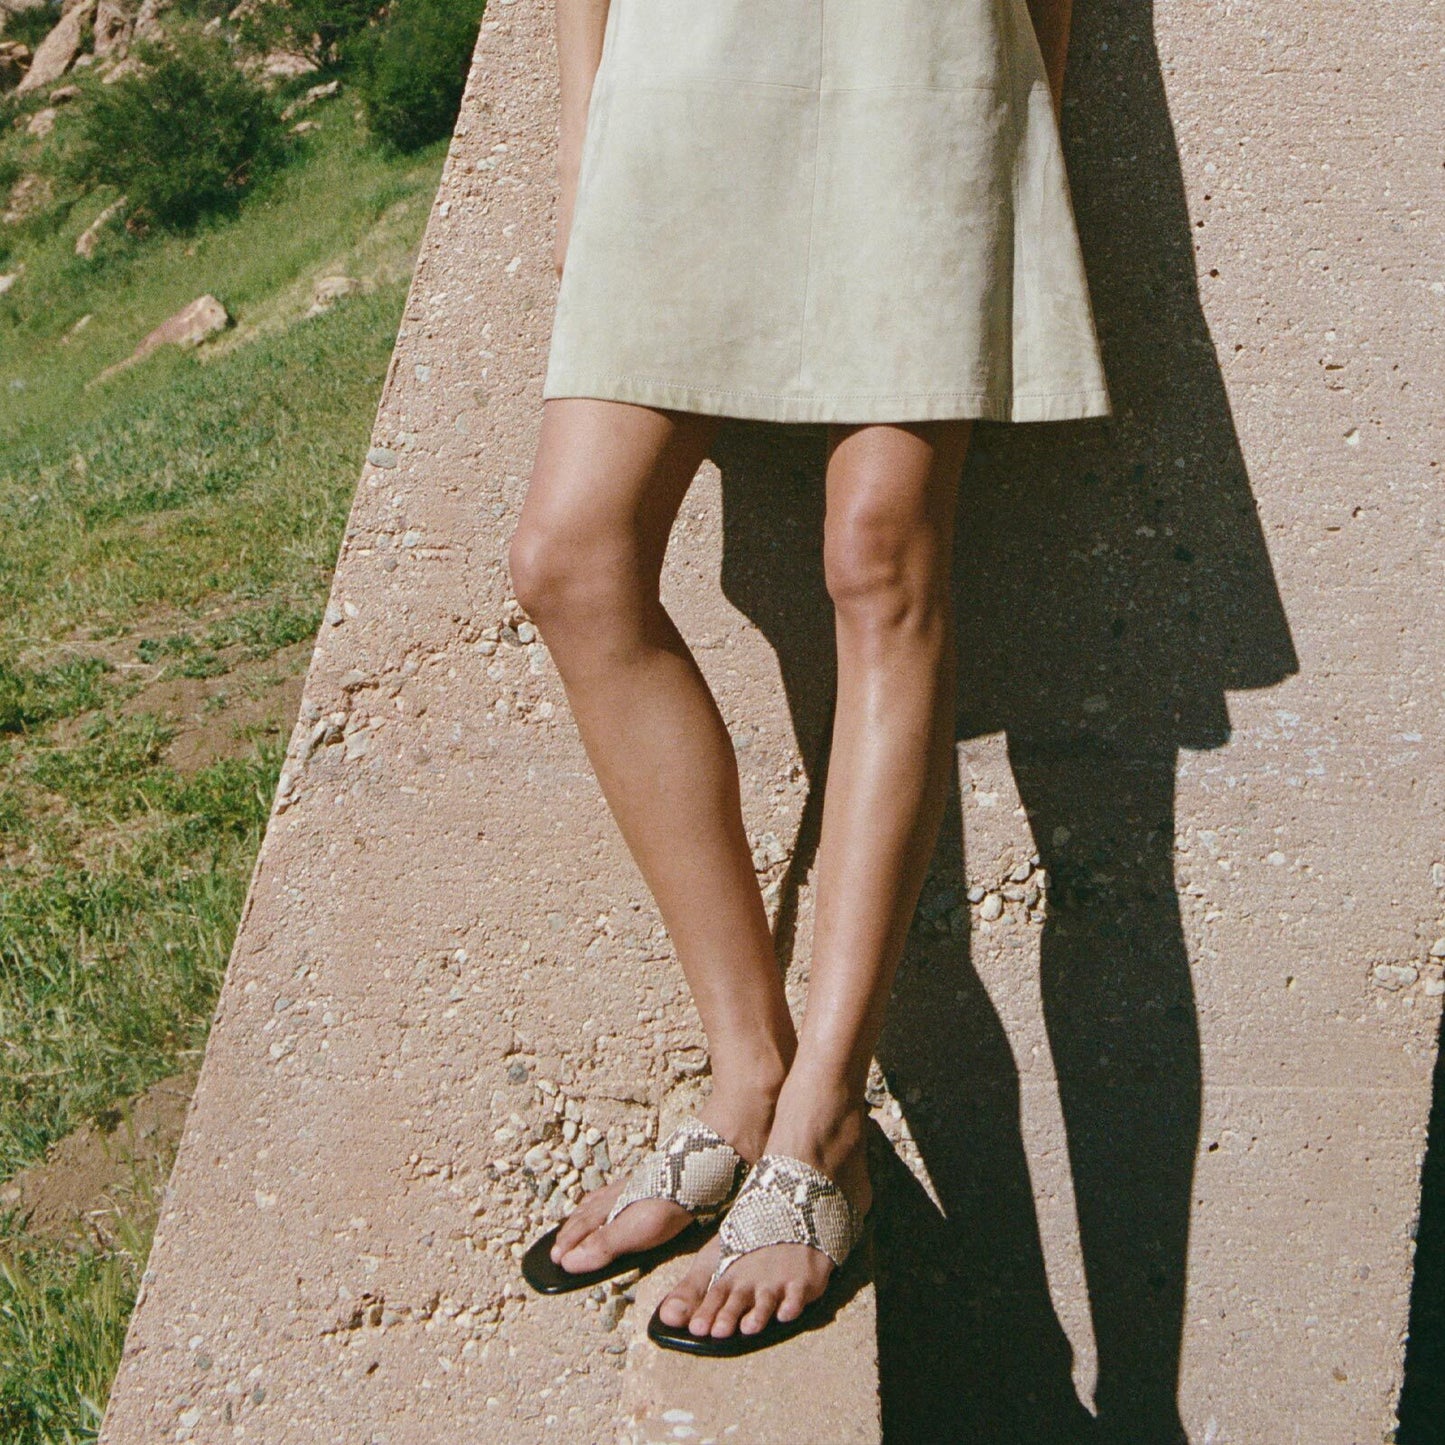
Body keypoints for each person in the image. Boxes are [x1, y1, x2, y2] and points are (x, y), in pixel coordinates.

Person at [512, 0, 1109, 1355]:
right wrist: (581, 121)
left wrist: (1026, 121)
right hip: (686, 61)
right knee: (569, 558)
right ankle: (747, 1069)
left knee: (878, 559)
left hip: (927, 57)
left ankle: (822, 1117)